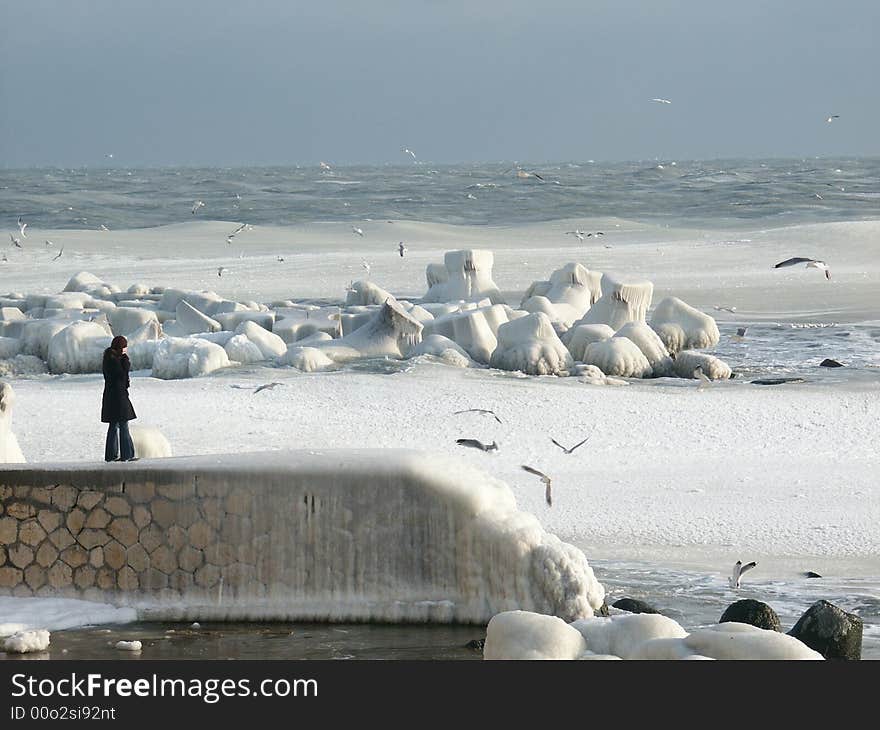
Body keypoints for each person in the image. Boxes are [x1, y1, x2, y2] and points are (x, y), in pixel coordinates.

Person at [102, 335, 137, 462]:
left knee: (114, 425)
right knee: (123, 425)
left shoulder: (109, 358)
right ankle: (127, 455)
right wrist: (126, 364)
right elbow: (121, 378)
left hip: (111, 397)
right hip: (118, 397)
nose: (126, 349)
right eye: (124, 347)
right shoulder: (115, 361)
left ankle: (111, 455)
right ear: (120, 348)